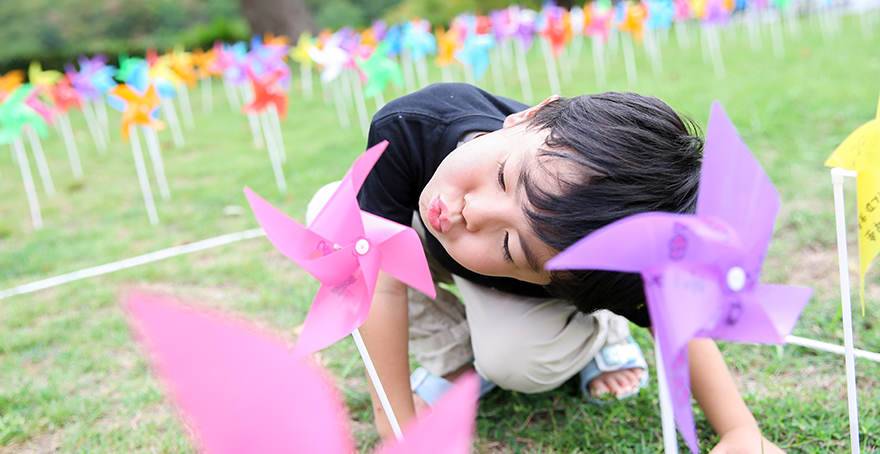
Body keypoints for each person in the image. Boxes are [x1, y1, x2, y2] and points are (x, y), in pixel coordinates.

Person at [348, 83, 783, 453]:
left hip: (515, 291)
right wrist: (396, 425)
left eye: (509, 244)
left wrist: (740, 430)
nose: (471, 211)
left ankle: (602, 332)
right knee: (345, 228)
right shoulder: (411, 126)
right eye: (504, 176)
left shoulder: (592, 264)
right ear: (529, 117)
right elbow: (381, 286)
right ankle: (458, 355)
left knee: (517, 362)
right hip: (433, 250)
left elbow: (677, 324)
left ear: (555, 281)